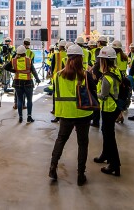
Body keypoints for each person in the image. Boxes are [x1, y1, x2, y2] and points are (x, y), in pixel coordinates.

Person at [49, 44, 92, 186]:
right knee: (83, 143)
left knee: (61, 139)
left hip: (65, 113)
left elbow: (55, 94)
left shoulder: (57, 76)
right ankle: (81, 174)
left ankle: (53, 168)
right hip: (83, 113)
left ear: (67, 59)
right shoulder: (86, 75)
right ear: (81, 59)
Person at [93, 46, 121, 176]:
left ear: (104, 61)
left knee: (109, 136)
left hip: (108, 108)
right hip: (114, 108)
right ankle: (105, 155)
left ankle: (114, 164)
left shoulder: (106, 78)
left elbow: (103, 95)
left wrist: (94, 93)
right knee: (106, 133)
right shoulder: (117, 71)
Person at [4, 45, 41, 123]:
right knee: (29, 100)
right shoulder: (28, 60)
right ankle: (29, 117)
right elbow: (33, 70)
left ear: (17, 53)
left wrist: (13, 71)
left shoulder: (14, 60)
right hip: (28, 81)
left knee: (20, 100)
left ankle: (20, 117)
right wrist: (37, 79)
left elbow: (5, 67)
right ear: (25, 53)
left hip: (18, 82)